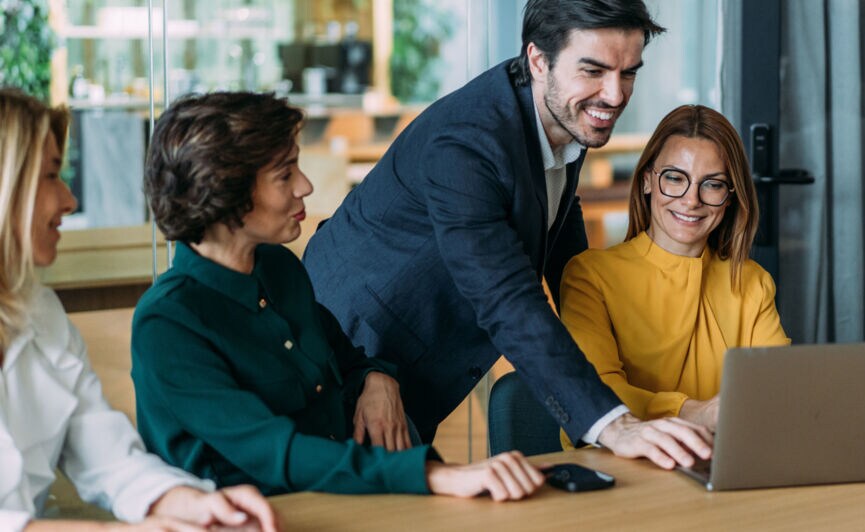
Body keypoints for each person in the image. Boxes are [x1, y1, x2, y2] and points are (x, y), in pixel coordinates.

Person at [303, 0, 712, 470]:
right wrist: (612, 424)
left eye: (629, 73)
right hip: (351, 345)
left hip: (410, 340)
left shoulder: (559, 110)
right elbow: (507, 300)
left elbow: (555, 213)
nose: (615, 95)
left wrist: (606, 328)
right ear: (538, 60)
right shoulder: (468, 143)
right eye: (595, 71)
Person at [132, 92, 543, 501]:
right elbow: (278, 452)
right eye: (285, 174)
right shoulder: (168, 323)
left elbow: (347, 358)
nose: (305, 186)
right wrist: (434, 475)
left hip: (341, 500)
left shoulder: (278, 268)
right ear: (223, 191)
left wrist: (375, 378)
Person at [0, 88, 278, 531]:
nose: (69, 201)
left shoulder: (40, 314)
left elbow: (105, 456)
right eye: (51, 176)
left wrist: (190, 502)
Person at [558, 105, 789, 443]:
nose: (691, 200)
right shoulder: (591, 276)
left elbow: (780, 389)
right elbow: (596, 393)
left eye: (712, 184)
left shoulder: (751, 282)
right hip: (621, 469)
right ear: (649, 180)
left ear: (730, 197)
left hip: (722, 465)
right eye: (676, 178)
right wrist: (692, 411)